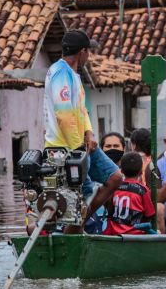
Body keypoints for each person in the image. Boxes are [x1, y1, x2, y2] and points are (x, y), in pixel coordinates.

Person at [44, 29, 121, 230]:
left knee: (114, 177)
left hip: (81, 145)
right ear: (82, 52)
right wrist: (78, 148)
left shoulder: (74, 75)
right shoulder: (60, 72)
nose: (89, 55)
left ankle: (79, 225)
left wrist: (89, 134)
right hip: (65, 148)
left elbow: (81, 110)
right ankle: (74, 231)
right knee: (82, 198)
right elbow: (64, 115)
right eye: (88, 52)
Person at [104, 152, 156, 236]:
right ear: (141, 171)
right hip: (134, 234)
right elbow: (150, 214)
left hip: (114, 233)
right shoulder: (142, 190)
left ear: (121, 170)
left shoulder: (115, 187)